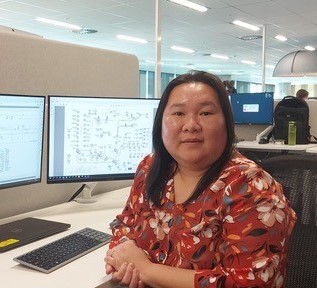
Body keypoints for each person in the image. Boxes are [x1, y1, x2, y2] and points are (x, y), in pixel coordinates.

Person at [104, 71, 296, 288]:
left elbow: (248, 283)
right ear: (161, 123)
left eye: (205, 113)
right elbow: (125, 223)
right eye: (178, 113)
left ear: (226, 122)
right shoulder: (151, 167)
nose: (191, 125)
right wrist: (123, 256)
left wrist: (147, 270)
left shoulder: (251, 187)